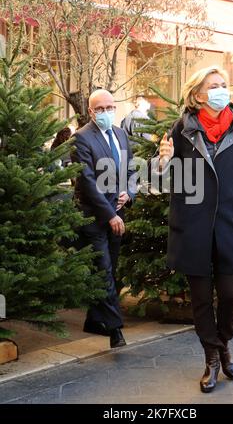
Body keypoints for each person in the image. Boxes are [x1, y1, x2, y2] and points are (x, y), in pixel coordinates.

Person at [158, 65, 233, 393]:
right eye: (214, 86)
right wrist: (163, 162)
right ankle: (212, 356)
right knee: (200, 299)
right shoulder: (182, 128)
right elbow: (166, 176)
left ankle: (223, 342)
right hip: (193, 224)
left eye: (223, 85)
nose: (221, 90)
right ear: (198, 95)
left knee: (229, 295)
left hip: (231, 222)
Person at [72, 89, 135, 349]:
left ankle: (94, 320)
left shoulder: (121, 134)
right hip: (94, 217)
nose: (107, 112)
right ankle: (115, 330)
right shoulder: (81, 138)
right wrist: (109, 214)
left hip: (117, 212)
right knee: (104, 270)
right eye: (101, 109)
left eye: (110, 107)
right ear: (91, 111)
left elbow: (131, 169)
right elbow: (85, 181)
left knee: (112, 267)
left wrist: (128, 193)